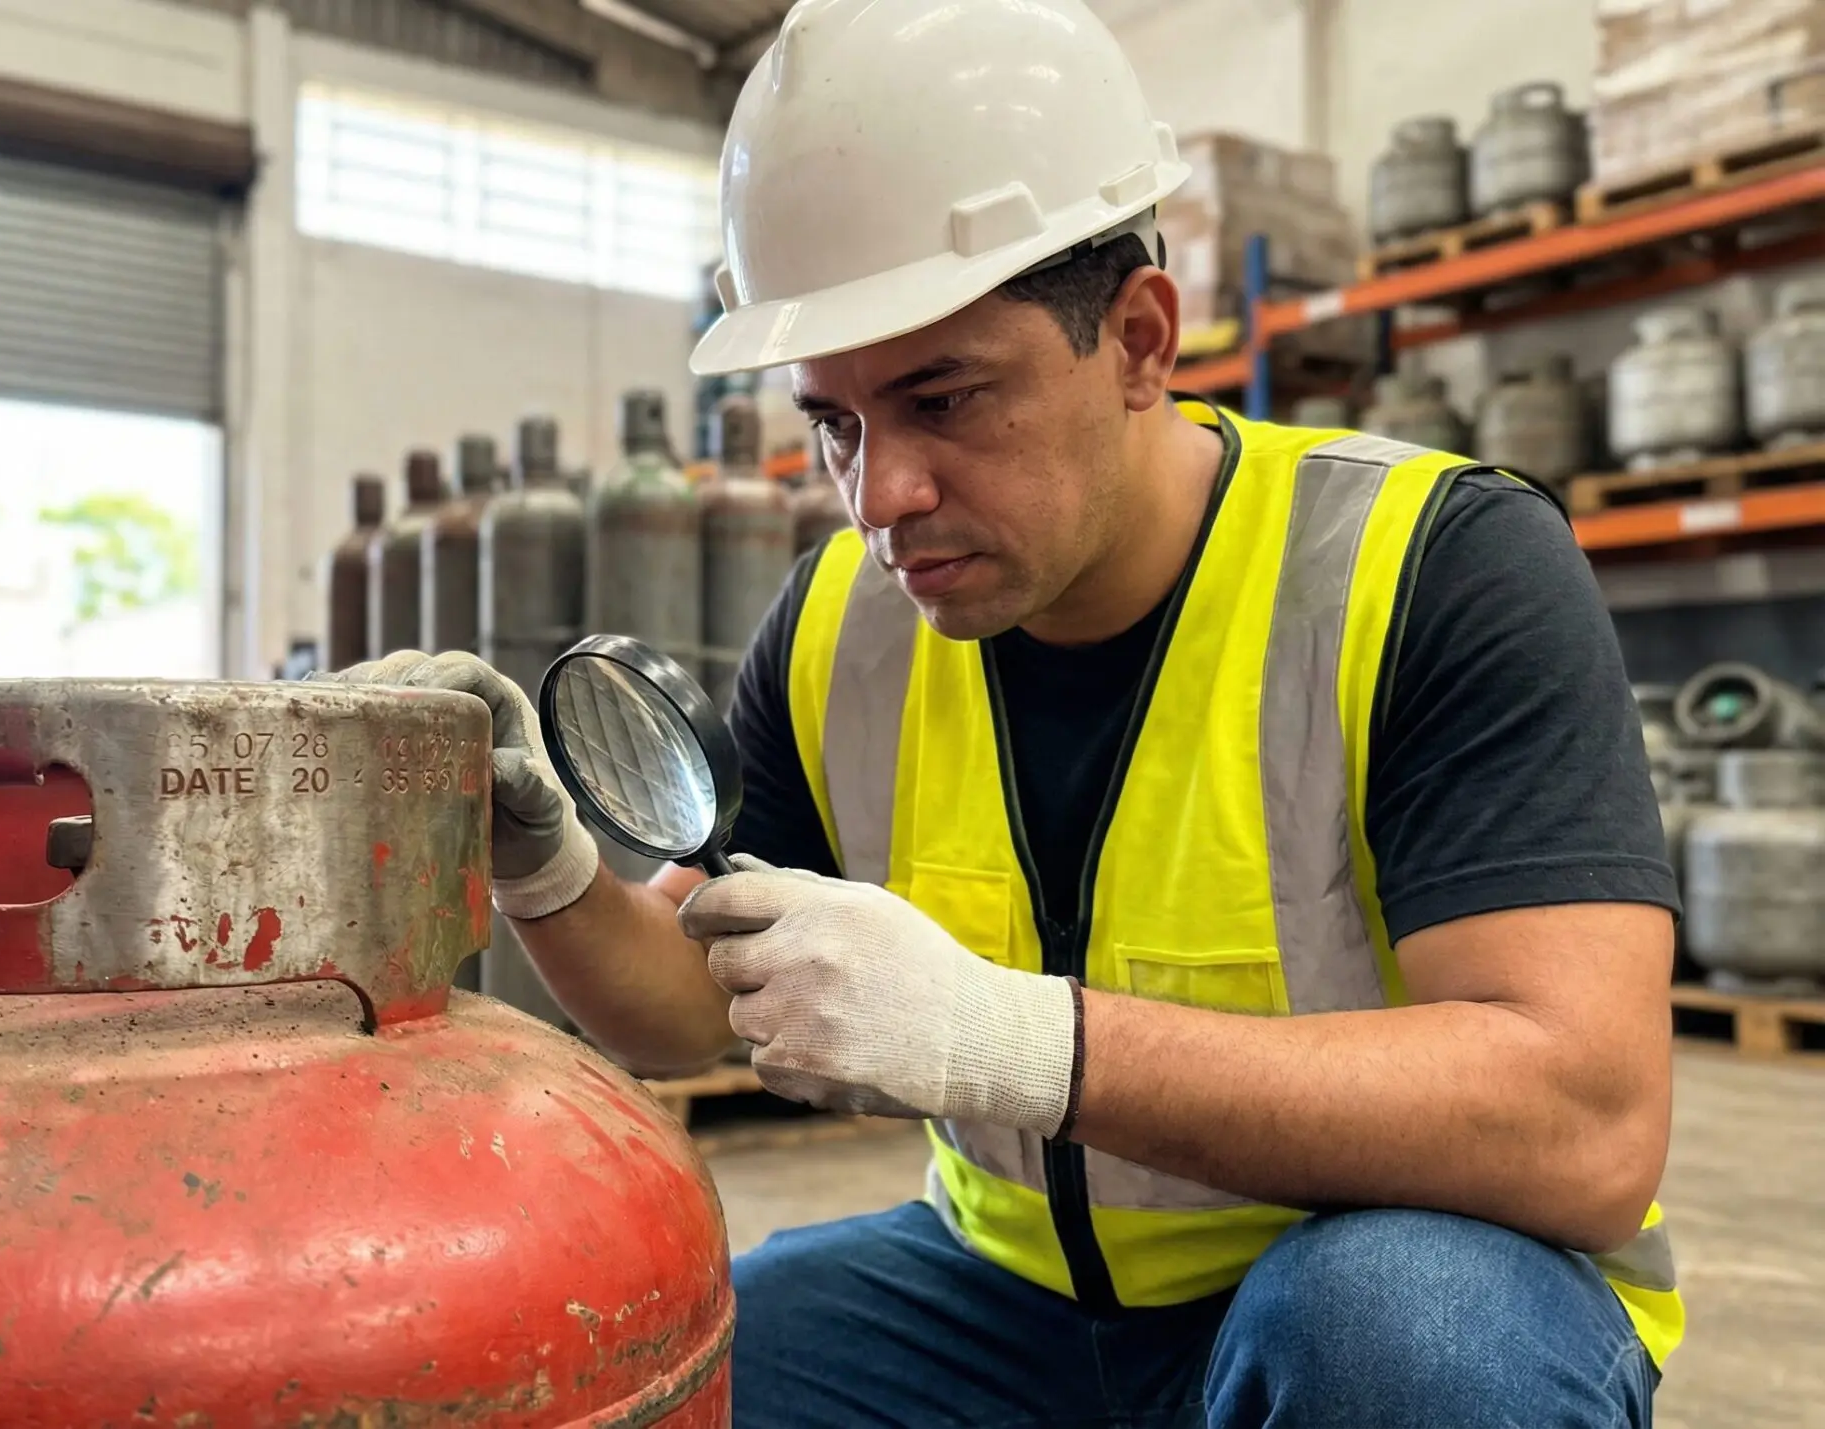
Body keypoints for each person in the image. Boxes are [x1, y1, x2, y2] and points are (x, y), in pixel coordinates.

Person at [327, 0, 1681, 1422]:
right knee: (709, 1343)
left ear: (1142, 343)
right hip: (1008, 1298)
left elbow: (1580, 1123)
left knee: (1403, 1338)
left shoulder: (1428, 570)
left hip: (1356, 1277)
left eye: (948, 397)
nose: (881, 494)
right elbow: (691, 1001)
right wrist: (545, 866)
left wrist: (1007, 1038)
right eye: (834, 422)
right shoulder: (843, 625)